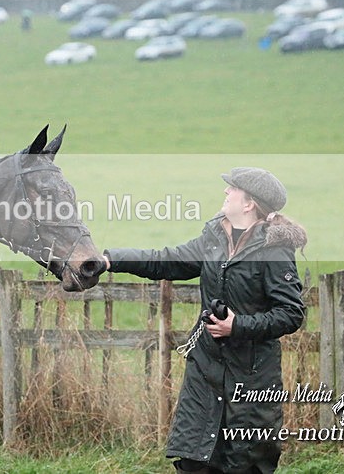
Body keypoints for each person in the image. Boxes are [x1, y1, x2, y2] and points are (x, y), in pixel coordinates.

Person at [102, 167, 306, 474]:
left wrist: (237, 326)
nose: (226, 192)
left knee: (245, 464)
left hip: (251, 378)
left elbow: (291, 313)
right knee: (194, 460)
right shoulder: (214, 238)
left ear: (249, 203)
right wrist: (110, 260)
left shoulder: (274, 250)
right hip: (205, 371)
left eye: (232, 188)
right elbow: (165, 260)